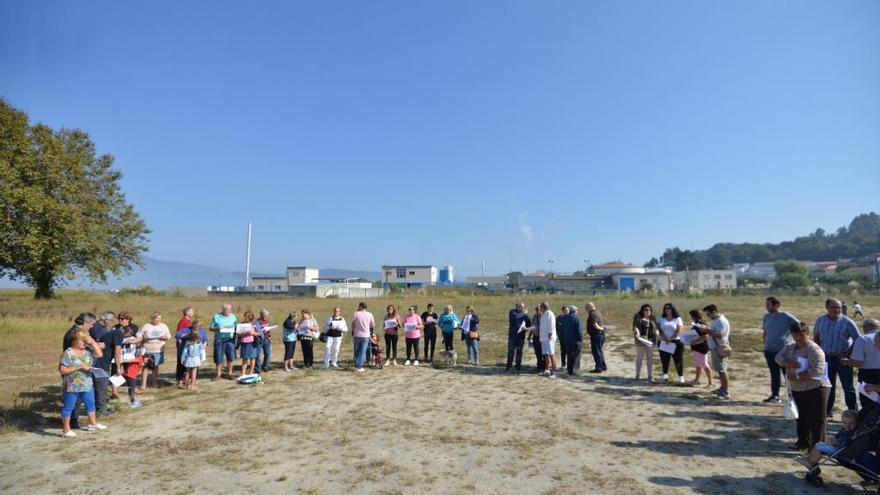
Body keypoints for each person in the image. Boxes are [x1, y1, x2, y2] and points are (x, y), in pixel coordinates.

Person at [775, 322, 832, 450]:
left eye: (801, 335)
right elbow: (778, 357)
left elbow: (817, 370)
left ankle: (818, 448)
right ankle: (803, 442)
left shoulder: (815, 350)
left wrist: (798, 377)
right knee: (801, 417)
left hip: (816, 388)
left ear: (807, 334)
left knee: (816, 420)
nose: (798, 338)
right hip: (797, 388)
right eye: (795, 335)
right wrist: (786, 361)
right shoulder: (790, 347)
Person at [814, 298, 861, 417]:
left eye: (839, 307)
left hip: (843, 360)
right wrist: (817, 353)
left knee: (848, 387)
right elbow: (817, 337)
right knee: (827, 385)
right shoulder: (821, 320)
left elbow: (858, 339)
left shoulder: (847, 322)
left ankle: (853, 412)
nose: (837, 310)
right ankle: (827, 410)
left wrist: (848, 353)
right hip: (826, 358)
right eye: (834, 307)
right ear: (827, 307)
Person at [59, 330, 107, 437]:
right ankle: (66, 429)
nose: (85, 343)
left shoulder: (87, 351)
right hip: (72, 385)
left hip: (87, 383)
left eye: (86, 341)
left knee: (90, 403)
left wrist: (93, 343)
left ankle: (93, 424)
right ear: (75, 341)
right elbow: (62, 370)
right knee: (69, 406)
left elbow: (99, 354)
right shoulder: (68, 353)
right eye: (83, 341)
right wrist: (79, 367)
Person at [62, 313, 97, 429]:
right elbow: (74, 349)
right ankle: (72, 423)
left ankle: (76, 422)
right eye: (91, 324)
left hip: (82, 375)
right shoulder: (73, 333)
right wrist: (92, 346)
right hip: (73, 374)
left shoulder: (74, 331)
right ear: (85, 323)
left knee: (84, 400)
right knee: (73, 401)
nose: (91, 327)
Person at [761, 297, 798, 403]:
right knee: (774, 374)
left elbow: (799, 326)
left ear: (776, 305)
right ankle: (775, 395)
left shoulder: (786, 316)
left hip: (783, 351)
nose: (766, 306)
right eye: (766, 304)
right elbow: (765, 331)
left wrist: (793, 340)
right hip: (769, 350)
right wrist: (765, 342)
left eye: (769, 304)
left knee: (787, 374)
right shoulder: (766, 317)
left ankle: (793, 396)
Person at [843, 319, 880, 408]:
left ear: (864, 327)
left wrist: (845, 361)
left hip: (868, 374)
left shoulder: (862, 339)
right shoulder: (876, 336)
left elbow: (858, 362)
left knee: (868, 403)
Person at [91, 311, 121, 416]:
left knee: (101, 384)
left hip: (104, 357)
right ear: (105, 319)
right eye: (111, 320)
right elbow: (100, 342)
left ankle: (100, 404)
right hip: (98, 359)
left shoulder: (104, 328)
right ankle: (100, 407)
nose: (111, 322)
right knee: (100, 384)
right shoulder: (96, 327)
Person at [114, 312, 143, 408]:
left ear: (128, 319)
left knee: (131, 377)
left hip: (130, 355)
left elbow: (140, 338)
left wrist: (133, 341)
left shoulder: (134, 327)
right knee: (116, 374)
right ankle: (115, 393)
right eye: (119, 319)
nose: (120, 321)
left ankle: (132, 399)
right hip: (118, 355)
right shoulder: (115, 328)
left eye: (122, 319)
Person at [704, 304, 732, 400]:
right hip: (716, 348)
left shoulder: (721, 321)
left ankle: (726, 392)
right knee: (720, 370)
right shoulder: (717, 320)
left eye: (708, 314)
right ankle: (722, 387)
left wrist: (707, 331)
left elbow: (720, 335)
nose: (708, 316)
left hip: (719, 348)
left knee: (722, 370)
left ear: (714, 312)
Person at [137, 312, 171, 389]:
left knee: (155, 367)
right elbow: (140, 336)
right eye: (156, 318)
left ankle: (154, 383)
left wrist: (165, 337)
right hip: (147, 349)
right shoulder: (146, 326)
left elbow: (169, 336)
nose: (158, 320)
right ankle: (143, 384)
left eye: (159, 318)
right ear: (152, 318)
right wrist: (144, 337)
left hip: (158, 349)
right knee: (145, 367)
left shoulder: (163, 326)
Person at [209, 304, 238, 380]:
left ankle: (230, 373)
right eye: (227, 309)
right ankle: (218, 374)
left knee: (230, 357)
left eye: (230, 309)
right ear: (223, 310)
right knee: (218, 357)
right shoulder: (216, 317)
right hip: (219, 340)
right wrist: (217, 328)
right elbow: (210, 328)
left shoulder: (233, 317)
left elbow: (236, 327)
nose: (228, 311)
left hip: (230, 340)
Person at [658, 303, 685, 383]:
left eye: (668, 308)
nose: (667, 310)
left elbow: (679, 330)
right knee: (664, 359)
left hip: (676, 342)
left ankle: (681, 377)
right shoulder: (661, 318)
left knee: (678, 360)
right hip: (664, 341)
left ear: (672, 309)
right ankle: (665, 375)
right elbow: (659, 328)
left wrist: (671, 338)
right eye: (665, 308)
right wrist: (664, 337)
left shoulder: (677, 318)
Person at [687, 310, 713, 388]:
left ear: (693, 316)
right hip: (696, 346)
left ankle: (710, 382)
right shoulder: (696, 324)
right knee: (698, 364)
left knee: (704, 364)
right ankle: (697, 379)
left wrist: (694, 341)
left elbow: (705, 336)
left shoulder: (701, 324)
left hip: (701, 347)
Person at [632, 304, 658, 381]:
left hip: (650, 341)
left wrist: (657, 333)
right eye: (646, 310)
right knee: (639, 359)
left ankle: (650, 376)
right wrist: (637, 332)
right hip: (641, 340)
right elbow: (634, 327)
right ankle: (637, 375)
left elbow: (656, 328)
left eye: (649, 310)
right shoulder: (638, 319)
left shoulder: (653, 319)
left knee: (650, 359)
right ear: (643, 311)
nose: (648, 311)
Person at [506, 302, 532, 371]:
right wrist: (524, 313)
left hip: (521, 336)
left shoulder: (524, 315)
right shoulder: (512, 312)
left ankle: (518, 365)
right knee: (511, 351)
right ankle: (509, 365)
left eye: (523, 307)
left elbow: (529, 324)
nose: (521, 308)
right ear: (516, 306)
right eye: (520, 306)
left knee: (519, 351)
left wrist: (527, 318)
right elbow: (516, 317)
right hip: (512, 336)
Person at [351, 302, 375, 372]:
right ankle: (359, 366)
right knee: (363, 351)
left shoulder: (356, 313)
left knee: (356, 351)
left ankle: (356, 364)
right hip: (365, 335)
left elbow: (352, 323)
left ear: (361, 306)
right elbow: (373, 325)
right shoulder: (370, 314)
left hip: (357, 334)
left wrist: (354, 329)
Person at [560, 305, 583, 376]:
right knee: (576, 355)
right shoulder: (577, 318)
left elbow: (562, 329)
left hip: (567, 340)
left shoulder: (564, 318)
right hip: (576, 341)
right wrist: (581, 339)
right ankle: (575, 370)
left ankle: (569, 370)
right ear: (575, 311)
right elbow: (579, 331)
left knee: (569, 356)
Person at [175, 306, 194, 387]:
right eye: (192, 311)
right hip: (182, 344)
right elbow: (179, 334)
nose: (193, 313)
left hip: (187, 344)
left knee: (185, 361)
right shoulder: (184, 321)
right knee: (181, 361)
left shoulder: (188, 321)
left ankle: (184, 378)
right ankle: (179, 379)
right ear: (187, 313)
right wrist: (180, 345)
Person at [585, 302, 606, 373]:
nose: (586, 310)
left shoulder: (592, 314)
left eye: (586, 308)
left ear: (589, 307)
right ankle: (603, 366)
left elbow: (595, 325)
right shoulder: (597, 312)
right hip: (601, 335)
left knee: (596, 352)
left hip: (596, 335)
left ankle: (598, 368)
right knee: (599, 351)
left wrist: (601, 329)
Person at [237, 311, 259, 376]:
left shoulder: (255, 324)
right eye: (245, 316)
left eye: (246, 317)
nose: (245, 318)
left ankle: (251, 372)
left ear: (250, 317)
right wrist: (244, 333)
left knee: (252, 358)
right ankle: (243, 373)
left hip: (252, 343)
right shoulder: (241, 324)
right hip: (244, 343)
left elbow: (259, 333)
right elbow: (238, 334)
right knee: (244, 359)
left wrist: (252, 333)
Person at [538, 302, 557, 377]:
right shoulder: (544, 314)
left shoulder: (549, 313)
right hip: (544, 338)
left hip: (549, 338)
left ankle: (554, 372)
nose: (540, 309)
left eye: (540, 307)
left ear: (543, 307)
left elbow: (551, 325)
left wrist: (550, 334)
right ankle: (547, 370)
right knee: (546, 355)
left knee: (551, 354)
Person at [254, 309, 272, 373]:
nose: (266, 317)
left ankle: (265, 366)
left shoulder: (267, 321)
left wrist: (269, 330)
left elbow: (268, 328)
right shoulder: (256, 322)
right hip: (259, 339)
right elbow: (255, 330)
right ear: (261, 315)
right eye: (265, 316)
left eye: (267, 316)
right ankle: (257, 368)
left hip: (266, 339)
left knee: (267, 353)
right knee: (257, 354)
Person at [528, 305, 544, 372]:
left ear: (541, 310)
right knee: (537, 352)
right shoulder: (534, 317)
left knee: (542, 352)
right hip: (535, 337)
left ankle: (543, 366)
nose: (537, 311)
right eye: (536, 309)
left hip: (542, 337)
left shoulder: (543, 317)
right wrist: (529, 335)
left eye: (538, 309)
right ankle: (539, 365)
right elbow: (532, 326)